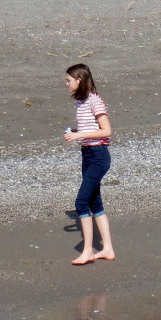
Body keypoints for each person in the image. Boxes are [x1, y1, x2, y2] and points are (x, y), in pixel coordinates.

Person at [63, 63, 115, 265]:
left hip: (99, 156)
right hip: (87, 154)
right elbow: (90, 127)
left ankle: (87, 251)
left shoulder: (95, 101)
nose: (66, 83)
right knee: (95, 203)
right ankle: (107, 249)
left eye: (69, 80)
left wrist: (80, 134)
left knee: (81, 202)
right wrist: (76, 132)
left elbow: (106, 131)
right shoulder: (81, 102)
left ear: (80, 80)